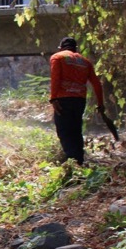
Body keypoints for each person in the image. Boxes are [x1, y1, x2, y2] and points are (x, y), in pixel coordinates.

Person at [49, 37, 105, 165]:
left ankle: (72, 162)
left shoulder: (57, 57)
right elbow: (97, 84)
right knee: (76, 129)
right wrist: (100, 104)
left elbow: (55, 79)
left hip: (63, 100)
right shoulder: (85, 62)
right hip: (80, 100)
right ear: (76, 49)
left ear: (60, 48)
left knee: (64, 130)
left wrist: (53, 98)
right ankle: (79, 160)